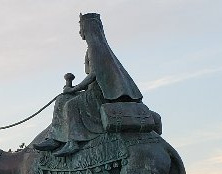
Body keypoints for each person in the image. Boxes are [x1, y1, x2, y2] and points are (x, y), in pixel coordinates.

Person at [33, 13, 144, 156]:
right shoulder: (91, 49)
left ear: (88, 29)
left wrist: (74, 89)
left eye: (81, 28)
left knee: (71, 105)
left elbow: (93, 75)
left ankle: (73, 142)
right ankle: (56, 138)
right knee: (61, 99)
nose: (80, 32)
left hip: (99, 94)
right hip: (91, 90)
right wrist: (71, 90)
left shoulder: (96, 48)